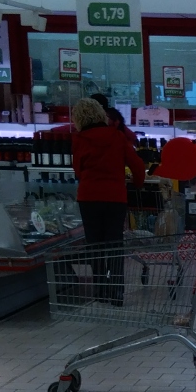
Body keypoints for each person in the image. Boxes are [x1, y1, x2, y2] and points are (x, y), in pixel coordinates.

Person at [69, 95, 146, 307]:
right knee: (114, 244)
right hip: (115, 197)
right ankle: (117, 292)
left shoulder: (78, 139)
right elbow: (137, 165)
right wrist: (137, 184)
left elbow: (78, 170)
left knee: (94, 245)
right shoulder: (116, 136)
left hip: (88, 197)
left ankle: (101, 291)